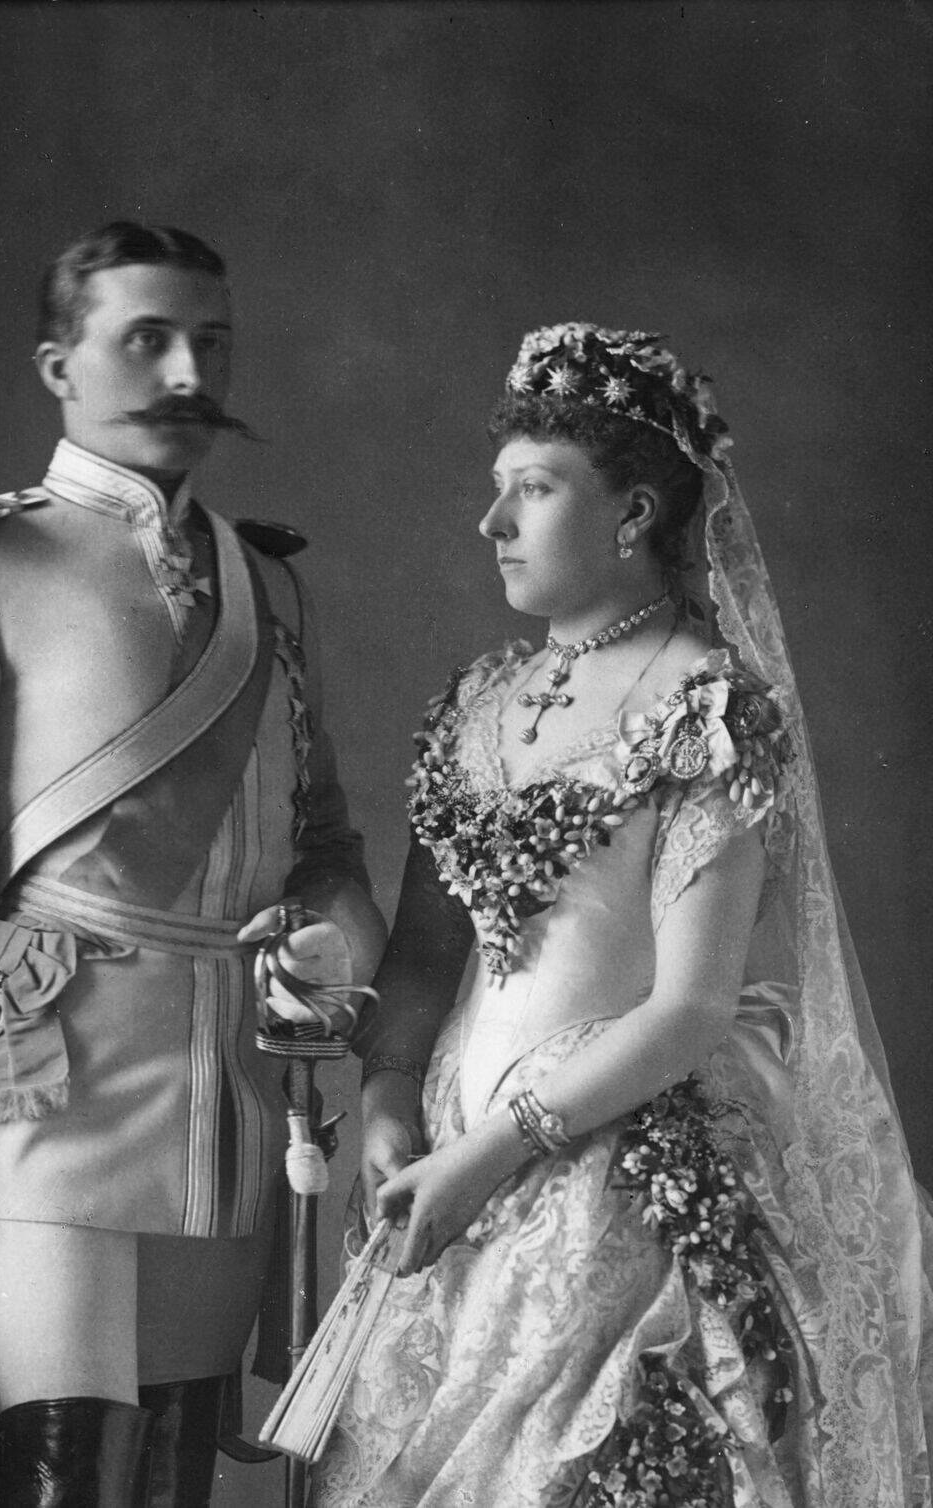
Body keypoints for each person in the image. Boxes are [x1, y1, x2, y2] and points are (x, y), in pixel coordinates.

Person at [312, 324, 933, 1506]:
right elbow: (427, 952)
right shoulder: (477, 703)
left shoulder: (706, 705)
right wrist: (388, 1094)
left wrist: (491, 1155)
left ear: (634, 512)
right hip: (448, 1153)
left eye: (535, 489)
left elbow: (690, 1007)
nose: (491, 521)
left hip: (610, 1160)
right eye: (497, 486)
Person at [0, 221, 386, 1507]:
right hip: (49, 1102)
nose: (189, 372)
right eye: (148, 339)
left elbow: (329, 847)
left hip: (225, 1113)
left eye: (212, 344)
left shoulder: (267, 585)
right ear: (58, 366)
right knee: (64, 1469)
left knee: (176, 1476)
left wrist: (330, 943)